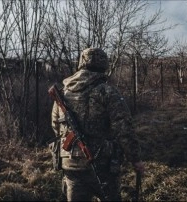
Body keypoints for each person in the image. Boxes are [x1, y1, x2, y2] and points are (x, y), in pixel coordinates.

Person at [51, 47, 145, 201]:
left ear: (81, 64)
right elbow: (124, 129)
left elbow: (56, 126)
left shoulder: (64, 93)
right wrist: (135, 159)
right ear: (104, 66)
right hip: (102, 165)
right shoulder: (107, 92)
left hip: (71, 164)